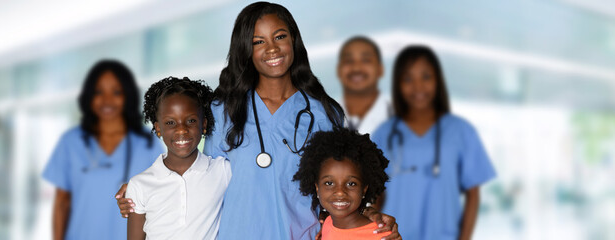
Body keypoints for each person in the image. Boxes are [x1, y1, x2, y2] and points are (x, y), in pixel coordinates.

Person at [116, 2, 401, 240]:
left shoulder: (323, 114)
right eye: (258, 41)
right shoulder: (221, 110)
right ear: (246, 50)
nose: (272, 49)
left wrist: (371, 213)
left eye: (280, 37)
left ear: (294, 41)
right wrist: (145, 186)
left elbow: (348, 179)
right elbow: (196, 170)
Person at [370, 46, 497, 240]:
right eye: (408, 79)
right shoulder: (384, 133)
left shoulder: (461, 131)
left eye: (426, 77)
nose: (418, 86)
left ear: (438, 81)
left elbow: (473, 194)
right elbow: (375, 196)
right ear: (397, 84)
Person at [43, 60, 164, 240]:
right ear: (89, 96)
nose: (107, 100)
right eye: (99, 92)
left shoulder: (147, 144)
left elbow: (161, 201)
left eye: (116, 92)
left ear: (128, 96)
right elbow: (61, 203)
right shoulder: (71, 142)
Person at [126, 77, 230, 240]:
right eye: (170, 123)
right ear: (158, 128)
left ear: (203, 125)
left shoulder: (222, 171)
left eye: (190, 121)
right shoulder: (139, 185)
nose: (181, 130)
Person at [293, 128, 390, 240]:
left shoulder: (380, 235)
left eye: (351, 184)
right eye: (329, 183)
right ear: (317, 187)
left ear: (364, 189)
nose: (340, 192)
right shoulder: (328, 223)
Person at [336, 36, 391, 134]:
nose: (356, 68)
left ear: (380, 69)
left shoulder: (401, 119)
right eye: (348, 61)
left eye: (366, 60)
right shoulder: (323, 117)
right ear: (339, 70)